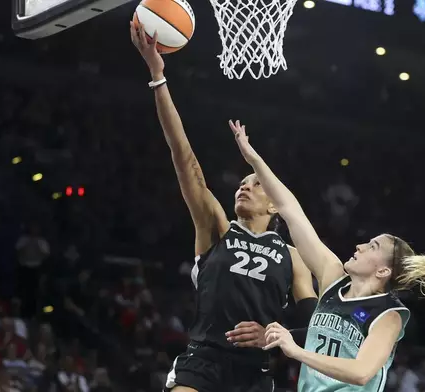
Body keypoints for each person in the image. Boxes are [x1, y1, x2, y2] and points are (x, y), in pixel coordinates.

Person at [227, 120, 425, 391]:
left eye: (372, 247)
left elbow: (361, 373)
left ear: (383, 271)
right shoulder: (332, 276)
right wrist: (254, 160)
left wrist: (295, 350)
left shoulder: (389, 315)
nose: (359, 246)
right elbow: (289, 210)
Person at [129, 24, 318, 392]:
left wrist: (274, 334)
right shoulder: (218, 227)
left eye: (256, 184)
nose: (244, 187)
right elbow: (184, 159)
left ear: (275, 206)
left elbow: (314, 323)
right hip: (204, 361)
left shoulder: (293, 257)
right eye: (242, 183)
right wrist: (157, 77)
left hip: (255, 373)